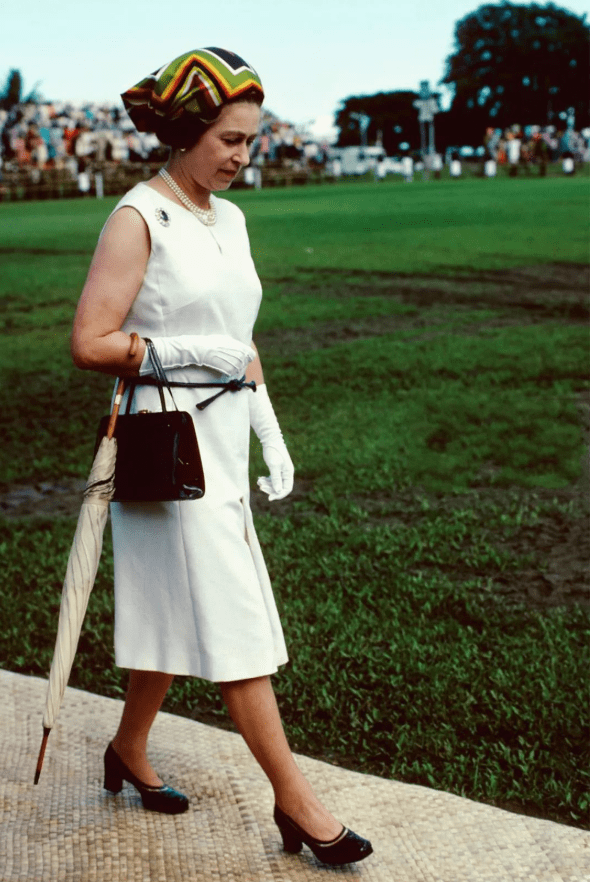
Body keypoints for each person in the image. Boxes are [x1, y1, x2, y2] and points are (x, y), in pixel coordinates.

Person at [70, 48, 372, 868]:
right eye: (230, 140)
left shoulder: (229, 218)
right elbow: (91, 342)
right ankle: (298, 803)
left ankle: (128, 750)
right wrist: (185, 352)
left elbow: (242, 346)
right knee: (233, 620)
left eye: (251, 140)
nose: (243, 156)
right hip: (167, 449)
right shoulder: (139, 216)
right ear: (185, 131)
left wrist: (269, 430)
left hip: (226, 441)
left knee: (179, 609)